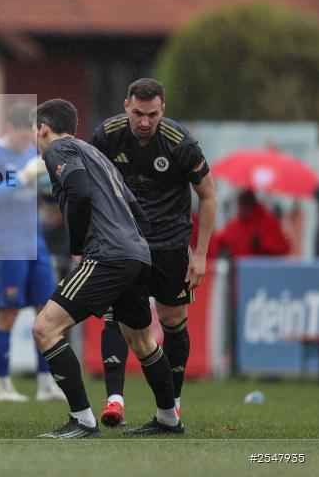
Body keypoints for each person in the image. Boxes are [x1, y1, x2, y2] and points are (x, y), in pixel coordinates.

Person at [31, 98, 182, 438]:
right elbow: (134, 207)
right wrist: (137, 249)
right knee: (142, 341)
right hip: (136, 253)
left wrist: (78, 247)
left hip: (108, 254)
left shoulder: (59, 150)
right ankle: (169, 419)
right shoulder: (94, 153)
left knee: (44, 329)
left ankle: (83, 421)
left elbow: (80, 193)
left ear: (43, 128)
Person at [90, 78, 217, 427]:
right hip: (123, 241)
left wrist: (201, 254)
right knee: (115, 313)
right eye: (138, 113)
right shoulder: (106, 135)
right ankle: (114, 401)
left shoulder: (181, 143)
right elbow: (89, 190)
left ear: (163, 110)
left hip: (169, 242)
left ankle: (171, 407)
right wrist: (87, 241)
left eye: (153, 115)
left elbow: (209, 196)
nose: (145, 122)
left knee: (172, 318)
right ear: (126, 105)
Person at [0, 103, 65, 403]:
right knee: (8, 313)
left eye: (30, 138)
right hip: (7, 246)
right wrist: (22, 178)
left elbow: (38, 193)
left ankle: (46, 384)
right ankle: (3, 387)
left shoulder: (31, 153)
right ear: (9, 129)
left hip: (36, 243)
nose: (28, 144)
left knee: (46, 312)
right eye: (23, 138)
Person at [208, 189, 289, 260]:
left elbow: (283, 247)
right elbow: (218, 242)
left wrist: (262, 244)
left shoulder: (267, 221)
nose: (240, 208)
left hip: (263, 271)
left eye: (243, 204)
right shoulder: (236, 224)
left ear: (250, 204)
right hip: (240, 272)